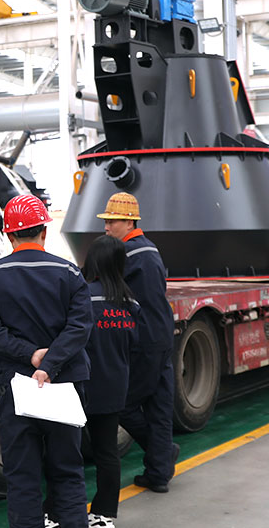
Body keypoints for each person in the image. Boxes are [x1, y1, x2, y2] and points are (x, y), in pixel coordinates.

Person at [0, 194, 93, 528]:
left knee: (22, 477)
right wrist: (50, 363)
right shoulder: (69, 273)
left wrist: (31, 355)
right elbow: (80, 327)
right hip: (64, 384)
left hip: (18, 387)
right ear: (44, 231)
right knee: (67, 471)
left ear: (9, 234)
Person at [97, 192, 180, 493]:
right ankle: (158, 473)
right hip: (162, 335)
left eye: (112, 222)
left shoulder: (126, 254)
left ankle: (163, 454)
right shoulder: (150, 248)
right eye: (106, 222)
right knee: (159, 406)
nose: (106, 228)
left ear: (130, 222)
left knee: (123, 403)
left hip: (143, 339)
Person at [76, 236, 140, 528]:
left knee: (67, 453)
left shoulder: (82, 298)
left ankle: (58, 512)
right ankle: (103, 515)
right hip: (114, 388)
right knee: (107, 453)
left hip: (81, 387)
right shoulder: (130, 303)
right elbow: (134, 344)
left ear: (92, 261)